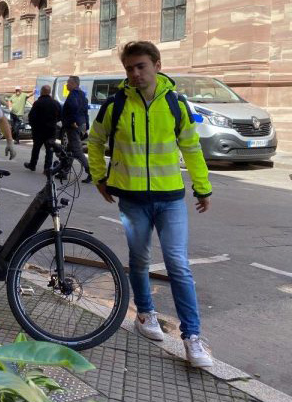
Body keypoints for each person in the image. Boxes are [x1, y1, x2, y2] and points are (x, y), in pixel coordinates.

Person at [87, 41, 214, 368]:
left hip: (170, 197)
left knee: (177, 265)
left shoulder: (175, 103)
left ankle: (193, 337)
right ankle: (145, 316)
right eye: (129, 68)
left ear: (157, 64)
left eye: (141, 66)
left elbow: (192, 148)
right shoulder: (115, 105)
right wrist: (100, 178)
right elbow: (96, 140)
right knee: (140, 261)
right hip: (132, 200)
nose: (135, 73)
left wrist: (202, 187)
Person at [24, 85, 61, 174]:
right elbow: (60, 116)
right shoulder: (55, 103)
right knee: (49, 150)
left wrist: (33, 126)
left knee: (36, 148)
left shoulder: (37, 103)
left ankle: (32, 165)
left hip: (39, 130)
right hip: (51, 130)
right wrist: (53, 122)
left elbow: (31, 117)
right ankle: (47, 168)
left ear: (42, 91)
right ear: (49, 92)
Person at [62, 75, 92, 183]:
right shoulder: (83, 95)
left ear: (74, 84)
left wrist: (73, 121)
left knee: (77, 150)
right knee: (70, 149)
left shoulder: (73, 95)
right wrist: (86, 126)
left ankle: (91, 172)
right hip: (81, 124)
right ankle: (64, 172)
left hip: (73, 126)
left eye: (68, 83)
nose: (66, 84)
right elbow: (85, 112)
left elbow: (73, 107)